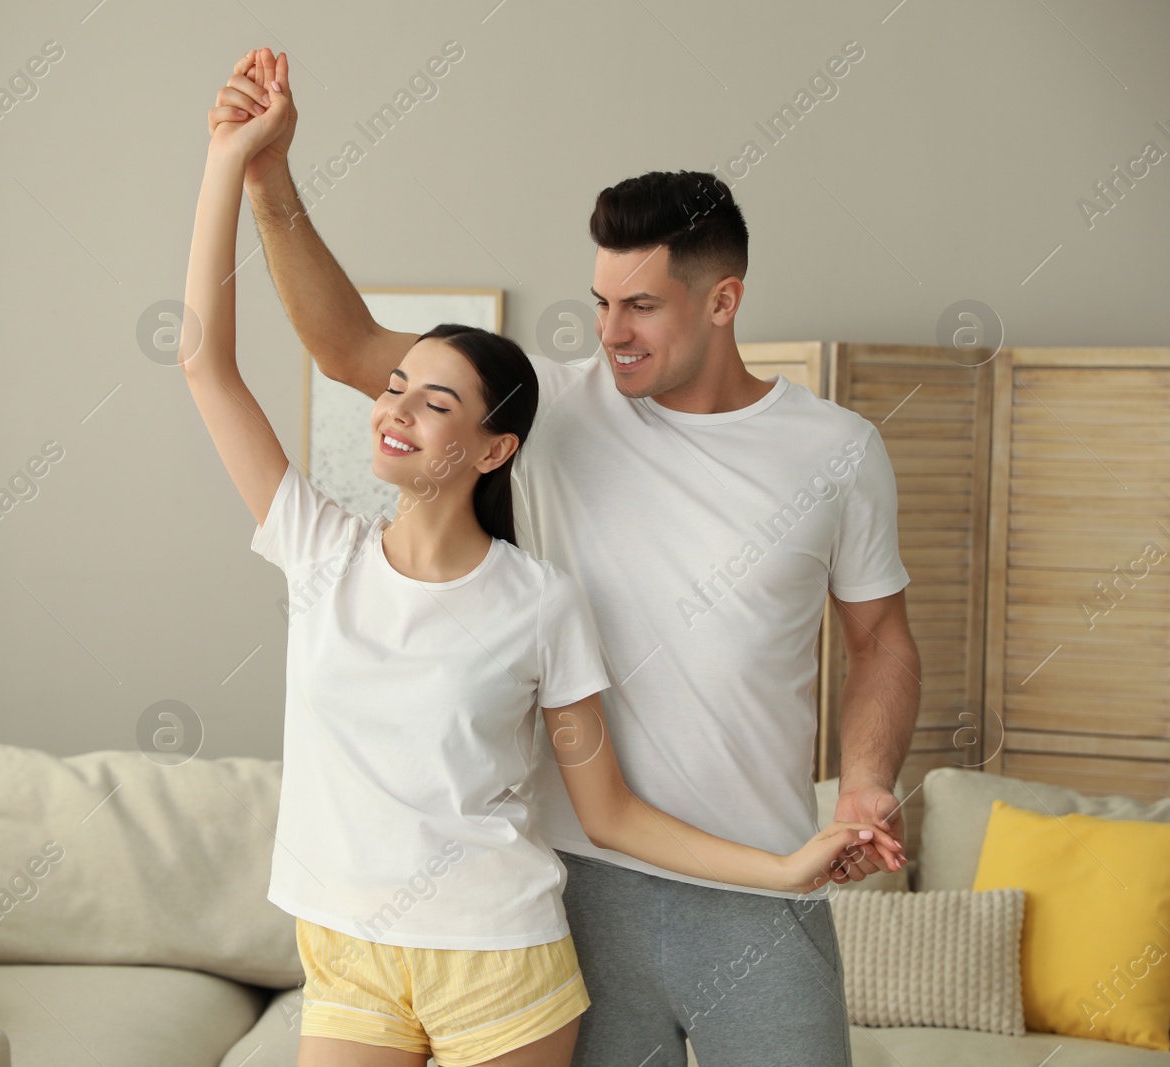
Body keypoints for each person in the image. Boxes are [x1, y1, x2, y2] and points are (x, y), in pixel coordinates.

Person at [184, 53, 905, 1067]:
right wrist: (268, 177)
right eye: (601, 302)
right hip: (580, 882)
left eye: (640, 307)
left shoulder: (836, 451)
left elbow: (878, 638)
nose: (609, 333)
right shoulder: (551, 407)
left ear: (721, 300)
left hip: (756, 877)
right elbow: (344, 343)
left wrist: (866, 781)